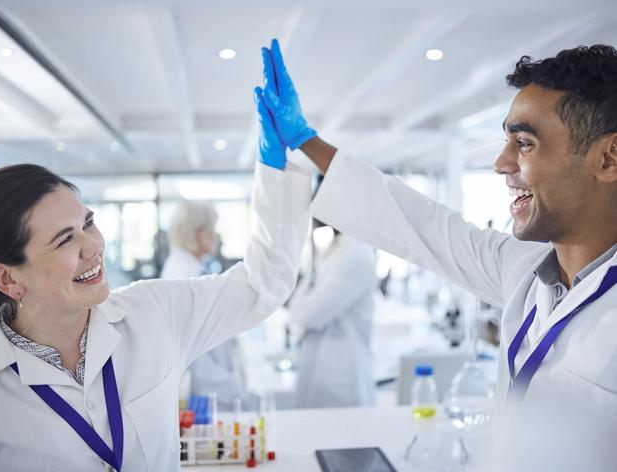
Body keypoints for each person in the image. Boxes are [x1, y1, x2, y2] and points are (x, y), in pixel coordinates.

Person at [254, 40, 617, 469]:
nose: (500, 163)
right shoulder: (523, 270)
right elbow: (418, 223)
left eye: (524, 142)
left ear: (608, 157)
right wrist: (304, 140)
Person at [0, 131, 311, 471]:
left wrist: (277, 170)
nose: (94, 246)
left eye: (88, 224)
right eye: (65, 240)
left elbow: (260, 284)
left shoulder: (153, 312)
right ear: (7, 279)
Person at [161, 201, 256, 411]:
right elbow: (199, 356)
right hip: (210, 392)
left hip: (212, 387)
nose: (217, 236)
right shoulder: (188, 277)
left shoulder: (184, 269)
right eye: (213, 230)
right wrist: (232, 386)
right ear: (200, 234)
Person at [288, 218, 377, 408]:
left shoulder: (356, 254)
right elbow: (295, 310)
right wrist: (300, 308)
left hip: (342, 376)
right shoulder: (334, 248)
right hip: (320, 368)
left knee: (345, 435)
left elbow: (307, 315)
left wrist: (301, 308)